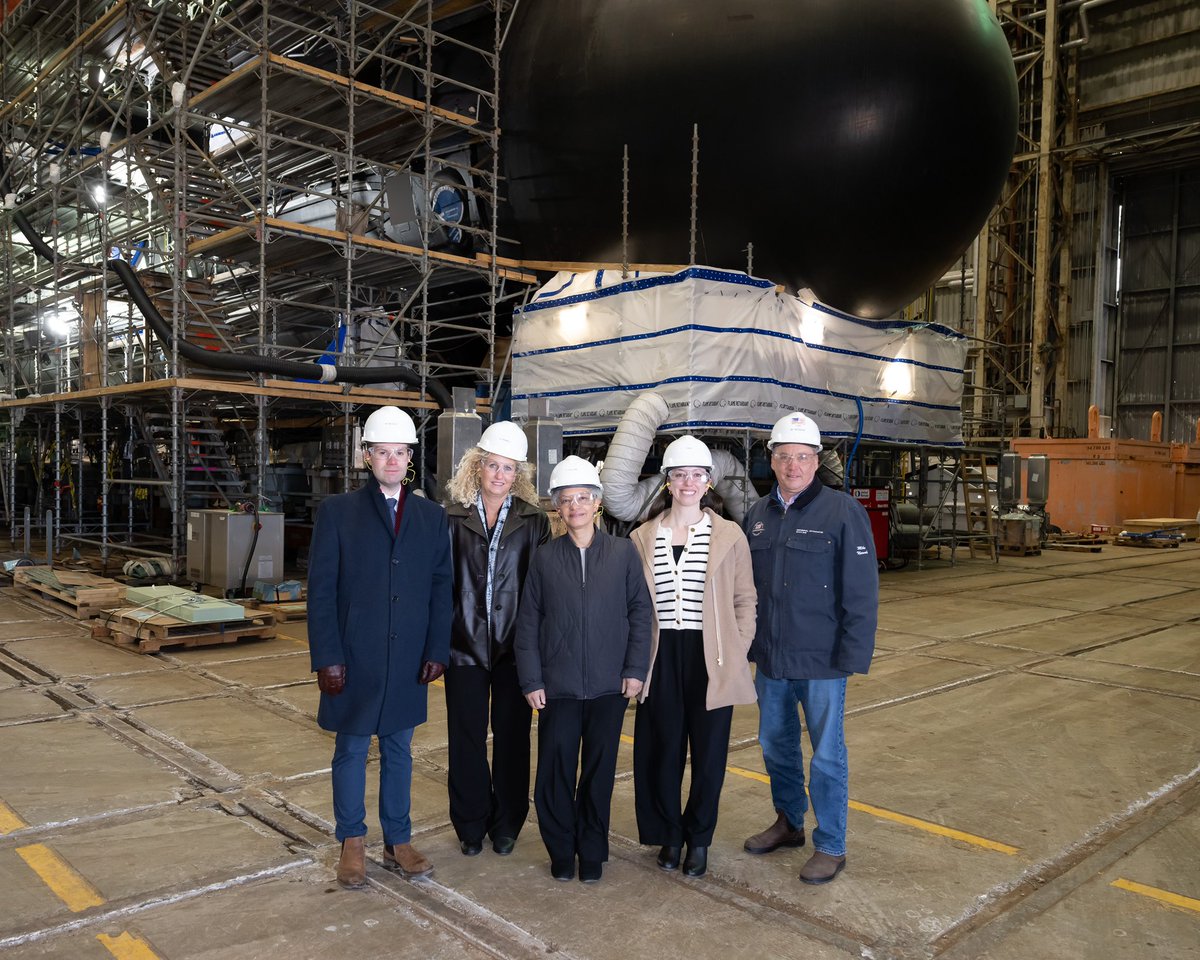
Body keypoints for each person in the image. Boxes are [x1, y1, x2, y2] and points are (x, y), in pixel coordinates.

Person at [308, 405, 452, 889]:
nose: (392, 460)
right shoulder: (337, 513)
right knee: (350, 749)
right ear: (366, 456)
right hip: (354, 657)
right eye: (382, 452)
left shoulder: (432, 517)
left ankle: (398, 840)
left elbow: (440, 586)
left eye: (400, 452)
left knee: (399, 750)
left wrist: (437, 647)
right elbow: (322, 590)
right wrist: (327, 656)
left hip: (408, 656)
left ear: (410, 457)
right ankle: (352, 842)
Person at [741, 411, 878, 884]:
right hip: (772, 658)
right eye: (784, 457)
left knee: (826, 753)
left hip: (822, 660)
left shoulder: (842, 512)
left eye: (802, 457)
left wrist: (853, 655)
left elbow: (861, 591)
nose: (793, 465)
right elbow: (747, 591)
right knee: (775, 746)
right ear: (772, 461)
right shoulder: (757, 516)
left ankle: (832, 844)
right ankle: (789, 822)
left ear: (817, 461)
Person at [515, 455, 652, 884]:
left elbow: (640, 613)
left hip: (610, 687)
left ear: (597, 503)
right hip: (558, 688)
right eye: (566, 499)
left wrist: (634, 669)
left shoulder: (623, 552)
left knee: (598, 774)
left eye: (583, 498)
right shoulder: (544, 557)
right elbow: (528, 622)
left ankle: (591, 851)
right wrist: (532, 679)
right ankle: (561, 850)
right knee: (554, 775)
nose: (574, 506)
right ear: (557, 506)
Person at [629, 435, 756, 879]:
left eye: (696, 475)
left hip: (711, 656)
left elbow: (745, 600)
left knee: (708, 755)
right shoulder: (642, 537)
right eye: (679, 474)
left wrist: (735, 649)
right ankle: (668, 835)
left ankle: (698, 839)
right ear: (668, 481)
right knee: (660, 752)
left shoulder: (729, 534)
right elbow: (634, 607)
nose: (687, 482)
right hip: (661, 657)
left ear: (708, 482)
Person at [444, 421, 551, 858]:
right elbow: (439, 584)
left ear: (517, 474)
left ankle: (507, 823)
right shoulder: (450, 516)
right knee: (465, 738)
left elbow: (541, 590)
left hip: (513, 650)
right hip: (462, 646)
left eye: (509, 469)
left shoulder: (533, 521)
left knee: (512, 738)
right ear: (477, 466)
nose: (500, 475)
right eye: (493, 466)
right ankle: (470, 824)